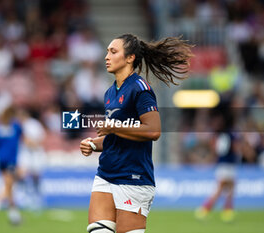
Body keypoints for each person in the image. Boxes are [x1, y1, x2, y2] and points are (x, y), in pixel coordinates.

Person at [80, 34, 193, 233]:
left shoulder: (141, 89)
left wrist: (113, 127)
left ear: (130, 57)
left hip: (133, 178)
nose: (107, 56)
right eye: (107, 51)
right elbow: (116, 136)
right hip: (105, 175)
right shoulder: (110, 93)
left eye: (113, 52)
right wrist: (93, 144)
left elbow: (153, 130)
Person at [195, 113, 241, 222]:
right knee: (223, 188)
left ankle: (226, 210)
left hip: (223, 163)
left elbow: (215, 148)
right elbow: (235, 148)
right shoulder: (231, 134)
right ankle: (206, 209)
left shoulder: (220, 134)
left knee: (229, 187)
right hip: (228, 163)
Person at [16, 108, 46, 211]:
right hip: (25, 153)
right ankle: (24, 198)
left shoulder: (33, 124)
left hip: (35, 153)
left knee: (36, 176)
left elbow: (39, 139)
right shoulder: (18, 125)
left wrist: (31, 143)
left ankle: (38, 199)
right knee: (21, 175)